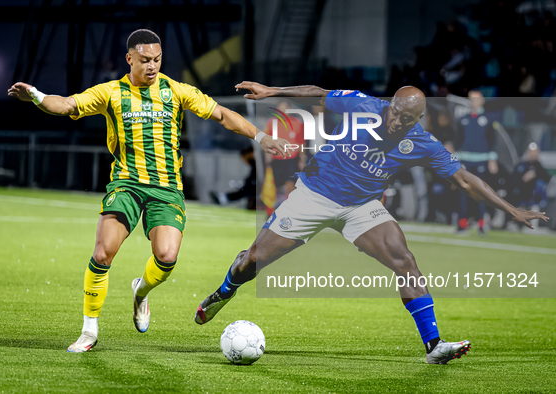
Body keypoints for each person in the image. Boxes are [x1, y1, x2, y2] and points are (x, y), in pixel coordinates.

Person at [194, 81, 549, 365]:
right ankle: (225, 291)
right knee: (252, 261)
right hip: (314, 194)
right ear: (389, 104)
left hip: (361, 206)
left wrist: (511, 209)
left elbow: (465, 179)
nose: (396, 121)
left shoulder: (422, 143)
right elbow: (319, 94)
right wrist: (272, 92)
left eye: (405, 119)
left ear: (417, 120)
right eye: (395, 112)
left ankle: (434, 345)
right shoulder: (362, 105)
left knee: (404, 260)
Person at [7, 30, 290, 353]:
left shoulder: (176, 90)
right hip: (126, 184)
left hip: (167, 188)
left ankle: (140, 292)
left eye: (157, 59)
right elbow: (68, 105)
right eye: (145, 60)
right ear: (130, 59)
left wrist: (262, 138)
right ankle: (89, 330)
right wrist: (38, 97)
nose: (152, 66)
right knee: (102, 253)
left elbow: (223, 115)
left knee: (166, 257)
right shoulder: (111, 92)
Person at [454, 90, 498, 235]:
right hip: (465, 160)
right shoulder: (463, 119)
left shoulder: (489, 119)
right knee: (463, 191)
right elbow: (458, 140)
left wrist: (492, 158)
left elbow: (492, 140)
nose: (474, 102)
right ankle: (462, 224)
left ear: (482, 101)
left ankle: (481, 224)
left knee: (481, 192)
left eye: (476, 99)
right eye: (471, 99)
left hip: (481, 160)